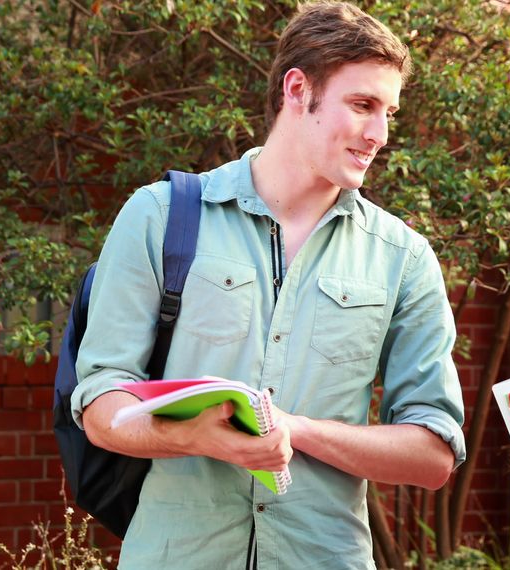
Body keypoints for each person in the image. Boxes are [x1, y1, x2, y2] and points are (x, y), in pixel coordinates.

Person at [71, 2, 466, 568]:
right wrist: (192, 436)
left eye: (389, 112)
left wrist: (295, 430)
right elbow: (100, 401)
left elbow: (433, 453)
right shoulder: (161, 217)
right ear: (299, 89)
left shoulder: (403, 258)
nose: (379, 134)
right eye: (362, 105)